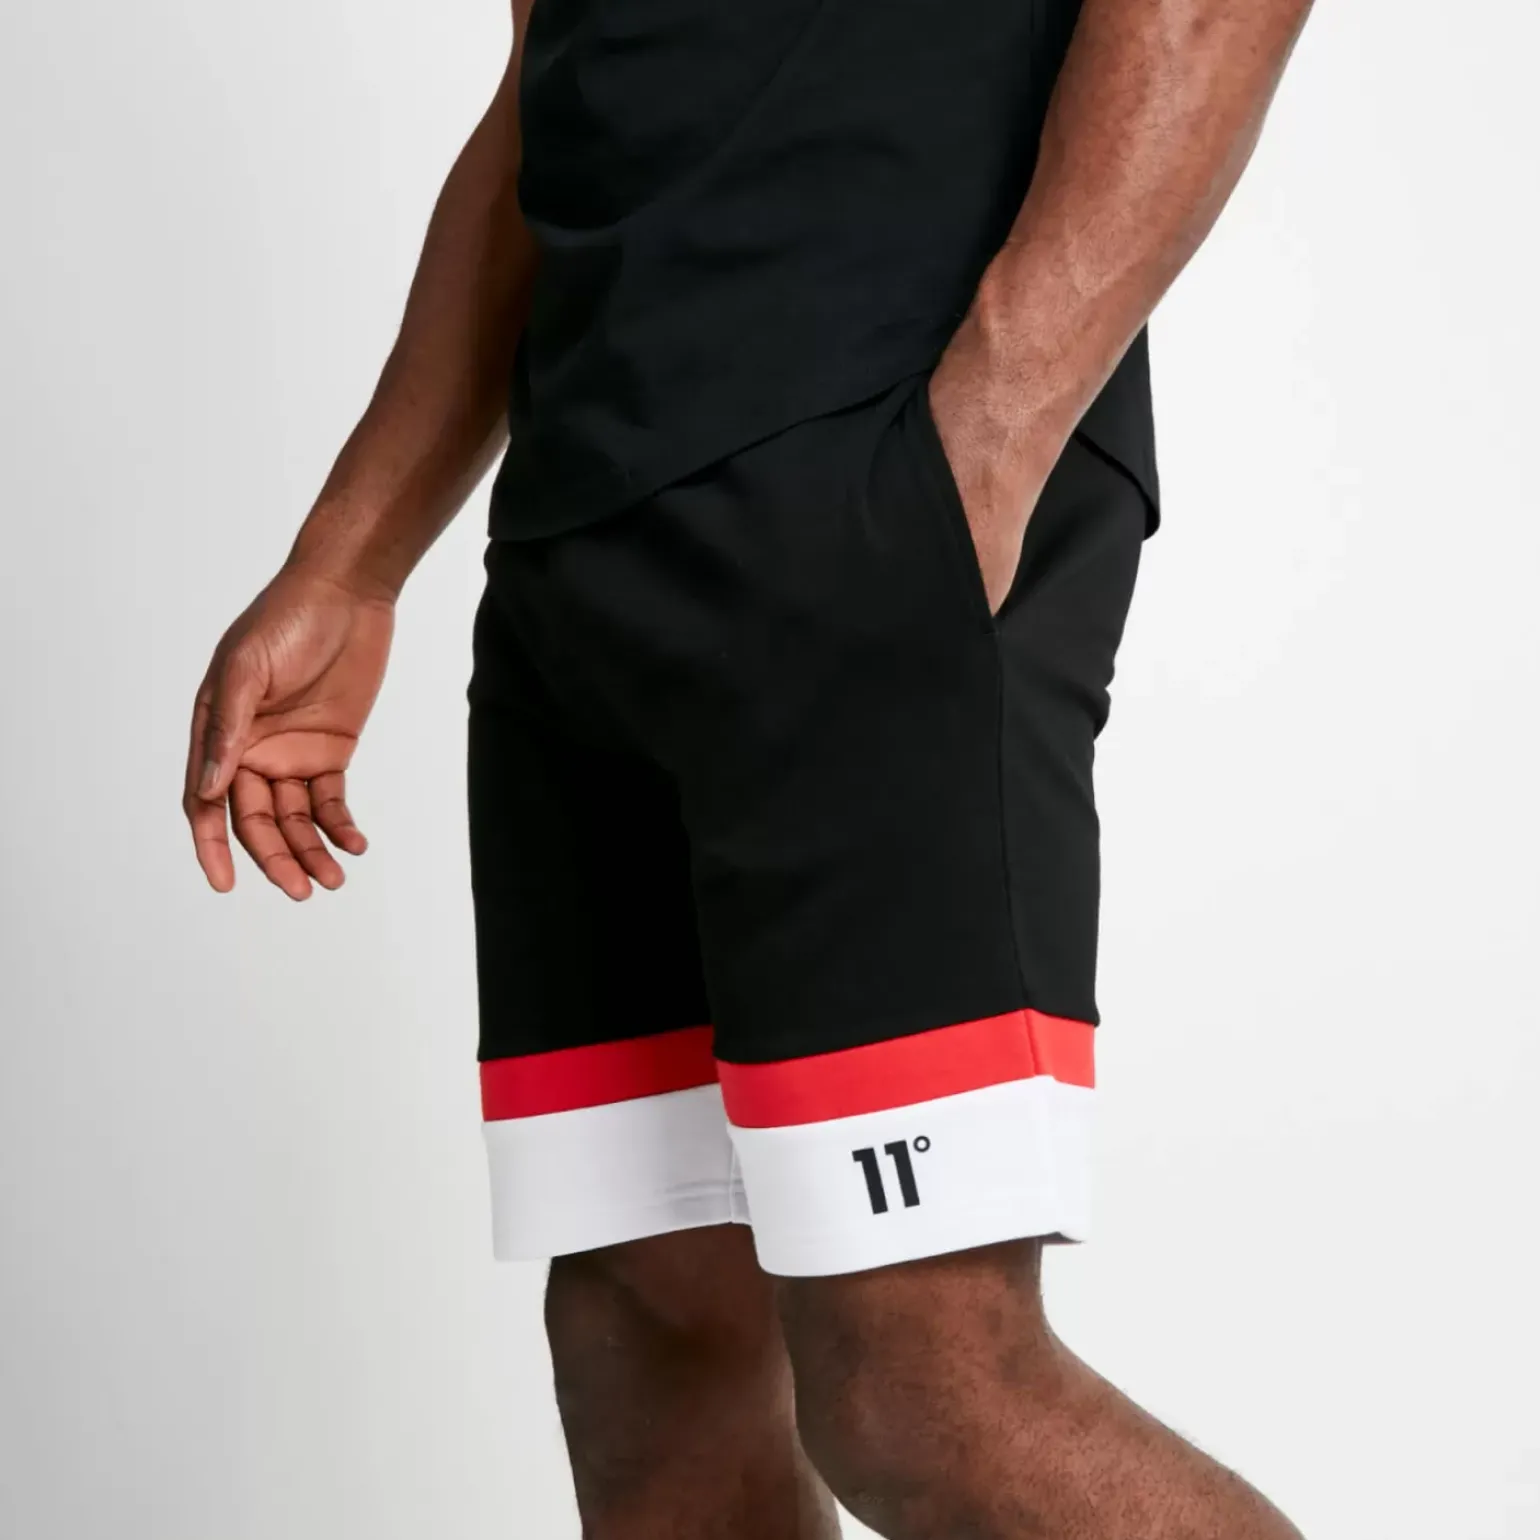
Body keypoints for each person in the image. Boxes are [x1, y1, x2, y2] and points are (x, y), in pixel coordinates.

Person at [183, 0, 1314, 1533]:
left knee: (922, 1384)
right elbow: (548, 81)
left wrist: (984, 441)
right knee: (650, 1331)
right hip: (586, 513)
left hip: (875, 462)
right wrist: (352, 557)